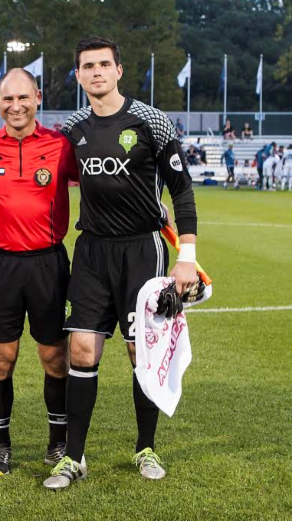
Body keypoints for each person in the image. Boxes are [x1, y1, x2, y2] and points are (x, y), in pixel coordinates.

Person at [45, 36, 199, 490]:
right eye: (87, 66)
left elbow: (182, 190)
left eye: (103, 64)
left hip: (143, 250)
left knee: (140, 351)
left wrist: (187, 258)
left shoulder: (151, 121)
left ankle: (145, 448)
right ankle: (73, 457)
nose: (96, 72)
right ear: (78, 76)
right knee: (81, 350)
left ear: (118, 70)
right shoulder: (72, 127)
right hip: (92, 251)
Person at [0, 68, 77, 475]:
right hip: (1, 264)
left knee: (55, 357)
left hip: (49, 263)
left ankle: (58, 442)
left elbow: (100, 181)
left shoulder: (61, 146)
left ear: (38, 97)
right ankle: (0, 444)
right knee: (0, 358)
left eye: (23, 97)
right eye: (8, 98)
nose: (16, 106)